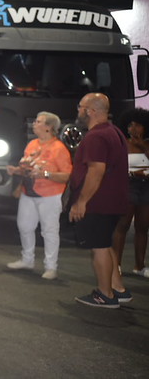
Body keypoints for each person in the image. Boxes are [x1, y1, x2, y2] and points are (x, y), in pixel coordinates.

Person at [69, 93, 131, 308]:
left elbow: (96, 171)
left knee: (99, 248)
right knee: (106, 244)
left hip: (99, 202)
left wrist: (81, 202)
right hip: (114, 200)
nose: (78, 111)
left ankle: (105, 294)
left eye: (80, 107)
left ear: (90, 111)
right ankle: (118, 289)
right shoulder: (115, 132)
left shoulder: (96, 136)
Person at [5, 112, 72, 280]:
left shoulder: (59, 149)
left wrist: (46, 175)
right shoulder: (32, 144)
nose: (34, 124)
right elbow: (27, 168)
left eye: (38, 122)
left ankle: (51, 267)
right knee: (24, 226)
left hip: (49, 194)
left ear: (49, 127)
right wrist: (17, 172)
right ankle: (27, 260)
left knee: (49, 231)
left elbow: (67, 175)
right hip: (29, 193)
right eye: (35, 121)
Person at [112, 108, 149, 278]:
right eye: (130, 125)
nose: (133, 129)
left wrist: (143, 147)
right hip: (129, 185)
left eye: (138, 125)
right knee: (123, 225)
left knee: (142, 227)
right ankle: (116, 265)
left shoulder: (147, 144)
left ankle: (140, 266)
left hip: (146, 186)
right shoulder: (123, 143)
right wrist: (132, 173)